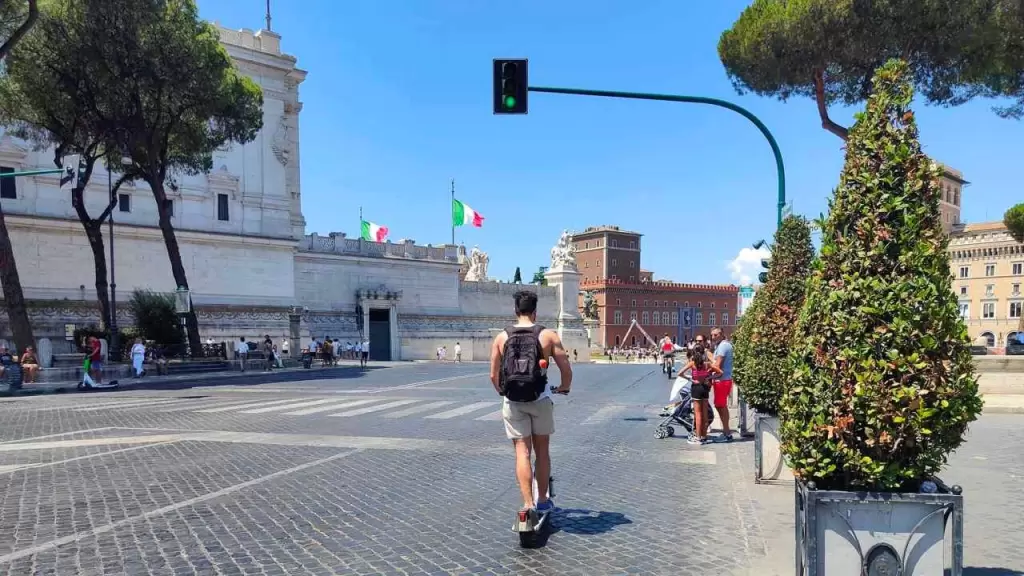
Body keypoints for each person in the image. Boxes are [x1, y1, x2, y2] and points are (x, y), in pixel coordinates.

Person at [489, 290, 572, 518]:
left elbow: (493, 376)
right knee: (542, 452)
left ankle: (527, 503)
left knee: (522, 452)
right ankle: (543, 501)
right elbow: (566, 370)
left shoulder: (501, 337)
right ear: (535, 312)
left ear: (516, 311)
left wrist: (503, 392)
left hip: (513, 400)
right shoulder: (548, 336)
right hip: (540, 398)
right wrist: (564, 387)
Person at [677, 343, 722, 444]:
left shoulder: (692, 363)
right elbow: (720, 373)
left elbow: (680, 373)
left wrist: (691, 379)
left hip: (696, 388)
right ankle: (704, 436)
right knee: (705, 413)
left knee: (698, 414)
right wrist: (709, 378)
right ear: (703, 352)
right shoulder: (707, 364)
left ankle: (698, 437)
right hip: (705, 388)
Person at [710, 328, 735, 442]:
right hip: (722, 380)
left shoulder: (723, 346)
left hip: (722, 380)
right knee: (720, 405)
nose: (713, 337)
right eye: (712, 335)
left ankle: (727, 433)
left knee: (721, 406)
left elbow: (718, 365)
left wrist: (707, 370)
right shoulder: (721, 346)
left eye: (715, 335)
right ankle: (726, 431)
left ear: (722, 334)